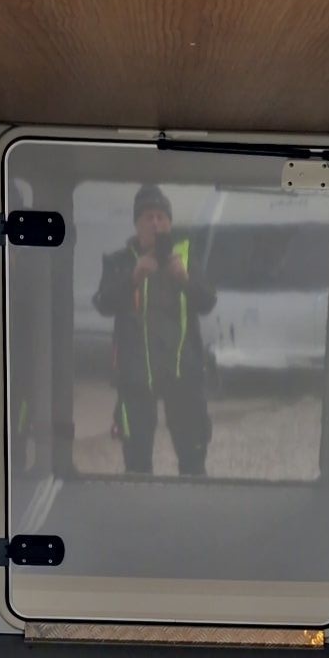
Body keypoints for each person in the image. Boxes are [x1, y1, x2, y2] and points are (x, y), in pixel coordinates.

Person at [93, 182, 217, 475]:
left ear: (169, 224)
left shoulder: (186, 257)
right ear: (137, 224)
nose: (155, 223)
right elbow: (102, 303)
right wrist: (133, 277)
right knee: (136, 464)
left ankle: (190, 502)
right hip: (136, 376)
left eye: (161, 217)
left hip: (183, 373)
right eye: (148, 217)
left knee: (193, 460)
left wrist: (185, 279)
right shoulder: (119, 261)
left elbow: (208, 301)